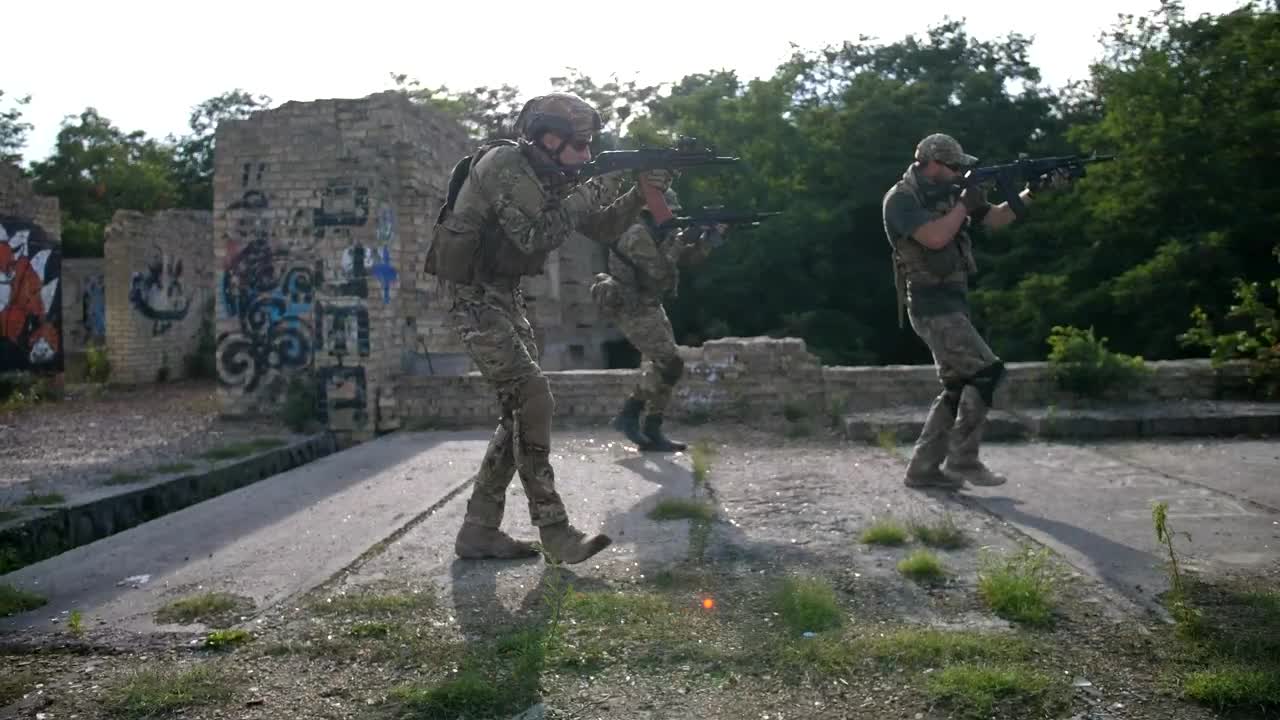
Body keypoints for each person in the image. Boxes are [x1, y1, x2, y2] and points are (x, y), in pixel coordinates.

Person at [424, 92, 675, 563]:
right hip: (471, 296)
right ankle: (555, 530)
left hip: (503, 294)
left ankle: (478, 530)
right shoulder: (504, 163)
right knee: (534, 396)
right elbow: (535, 234)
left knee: (520, 411)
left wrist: (638, 194)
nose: (585, 156)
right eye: (579, 146)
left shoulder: (549, 173)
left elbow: (599, 228)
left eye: (589, 148)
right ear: (546, 137)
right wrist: (600, 183)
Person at [881, 133, 1071, 490]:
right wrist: (963, 204)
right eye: (953, 167)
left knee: (957, 386)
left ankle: (923, 469)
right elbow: (934, 238)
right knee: (988, 373)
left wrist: (1035, 190)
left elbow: (997, 219)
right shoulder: (900, 199)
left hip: (951, 302)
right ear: (932, 163)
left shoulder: (953, 192)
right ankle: (963, 459)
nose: (959, 174)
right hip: (929, 303)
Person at [591, 189, 725, 452]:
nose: (673, 215)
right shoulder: (636, 234)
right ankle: (631, 416)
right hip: (630, 306)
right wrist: (682, 238)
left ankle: (650, 428)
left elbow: (688, 259)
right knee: (670, 363)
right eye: (669, 211)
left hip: (650, 305)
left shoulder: (660, 232)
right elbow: (661, 271)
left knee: (666, 365)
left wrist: (709, 238)